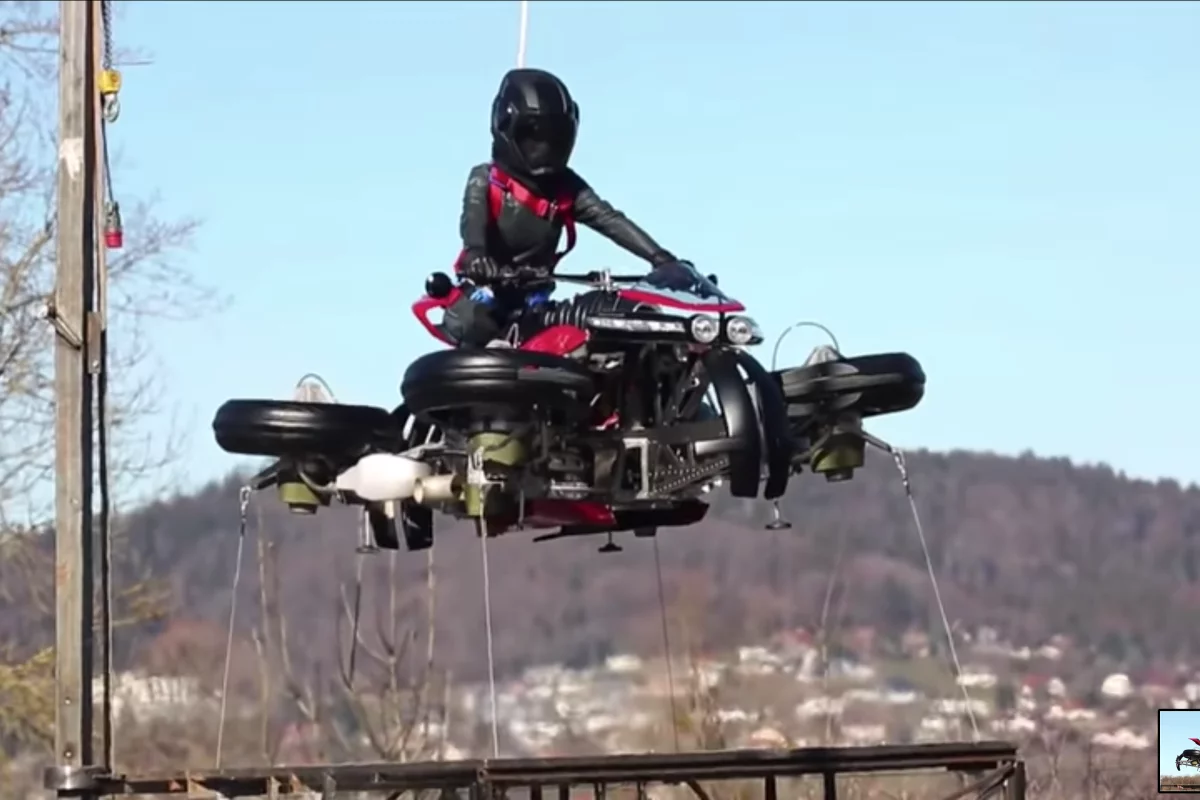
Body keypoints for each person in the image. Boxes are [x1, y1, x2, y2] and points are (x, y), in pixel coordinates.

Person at [446, 67, 684, 346]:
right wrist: (477, 257)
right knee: (476, 321)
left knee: (604, 317)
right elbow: (472, 223)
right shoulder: (487, 179)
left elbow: (608, 219)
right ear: (505, 128)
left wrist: (662, 259)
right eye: (534, 137)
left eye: (554, 137)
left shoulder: (566, 186)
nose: (544, 148)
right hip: (484, 296)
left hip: (535, 302)